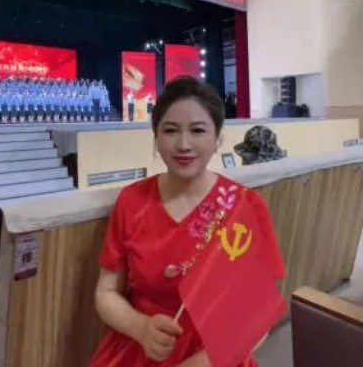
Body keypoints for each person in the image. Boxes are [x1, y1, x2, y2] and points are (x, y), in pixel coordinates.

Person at [89, 76, 284, 367]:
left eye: (198, 130)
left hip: (218, 355)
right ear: (156, 137)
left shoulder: (245, 206)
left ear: (218, 138)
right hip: (141, 349)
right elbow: (106, 292)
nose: (183, 144)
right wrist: (141, 328)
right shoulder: (132, 202)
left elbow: (259, 313)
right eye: (170, 130)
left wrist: (204, 362)